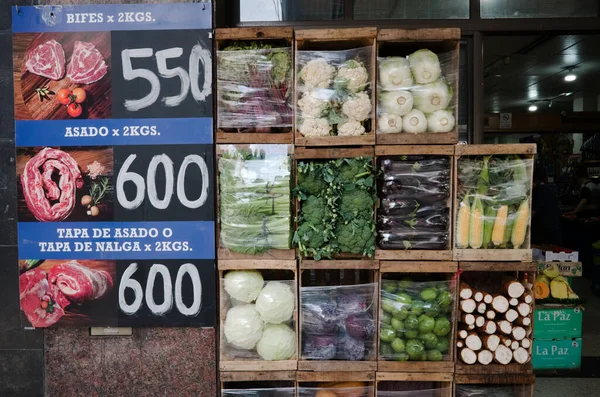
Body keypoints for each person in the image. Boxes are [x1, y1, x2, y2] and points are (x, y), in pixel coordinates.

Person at [531, 166, 563, 246]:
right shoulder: (546, 188)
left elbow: (533, 212)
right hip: (553, 226)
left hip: (547, 229)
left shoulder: (539, 191)